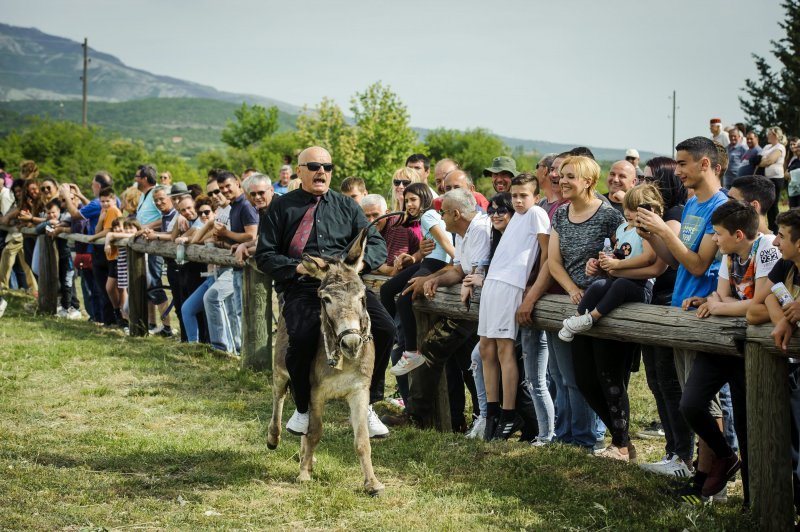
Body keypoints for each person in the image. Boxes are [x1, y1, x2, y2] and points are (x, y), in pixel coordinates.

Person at [255, 146, 395, 439]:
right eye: (315, 166)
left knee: (384, 328)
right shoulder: (281, 208)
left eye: (327, 167)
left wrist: (359, 265)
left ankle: (368, 402)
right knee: (303, 335)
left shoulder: (348, 207)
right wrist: (299, 268)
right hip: (304, 286)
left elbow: (378, 245)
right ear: (300, 170)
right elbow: (265, 255)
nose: (322, 172)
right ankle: (303, 407)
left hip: (346, 284)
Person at [636, 136, 730, 501]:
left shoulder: (721, 207)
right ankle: (702, 474)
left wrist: (662, 230)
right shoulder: (692, 203)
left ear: (706, 165)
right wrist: (654, 237)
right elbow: (676, 262)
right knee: (692, 399)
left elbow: (698, 263)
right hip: (681, 310)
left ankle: (714, 482)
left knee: (705, 401)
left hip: (703, 314)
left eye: (684, 163)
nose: (678, 170)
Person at [681, 200, 779, 504]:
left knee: (750, 425)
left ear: (738, 235)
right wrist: (716, 303)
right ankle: (725, 456)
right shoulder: (728, 254)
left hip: (753, 350)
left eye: (718, 233)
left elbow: (757, 302)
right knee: (691, 404)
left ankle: (753, 502)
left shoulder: (766, 250)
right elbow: (721, 295)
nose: (713, 239)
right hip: (724, 343)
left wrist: (720, 306)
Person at [548, 155, 628, 456]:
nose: (563, 181)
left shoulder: (608, 216)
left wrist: (604, 270)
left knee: (599, 378)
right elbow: (553, 261)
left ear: (589, 182)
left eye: (571, 176)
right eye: (562, 175)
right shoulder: (560, 214)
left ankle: (601, 440)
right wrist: (571, 289)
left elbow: (624, 255)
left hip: (602, 305)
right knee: (572, 377)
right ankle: (579, 436)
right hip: (571, 302)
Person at [475, 174, 549, 440]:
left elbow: (546, 253)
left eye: (523, 196)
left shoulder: (537, 213)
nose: (517, 200)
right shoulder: (515, 217)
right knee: (486, 347)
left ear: (535, 197)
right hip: (493, 281)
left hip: (511, 285)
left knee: (505, 348)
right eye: (514, 195)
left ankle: (508, 413)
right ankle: (492, 410)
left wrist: (533, 285)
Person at [561, 184, 663, 341]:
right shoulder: (622, 228)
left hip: (641, 286)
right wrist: (601, 261)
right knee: (598, 285)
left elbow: (648, 258)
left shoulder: (645, 230)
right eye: (626, 208)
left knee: (620, 284)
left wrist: (618, 265)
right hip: (617, 279)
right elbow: (616, 253)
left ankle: (592, 318)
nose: (628, 213)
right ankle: (576, 318)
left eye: (634, 209)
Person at [385, 183, 454, 376]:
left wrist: (458, 262)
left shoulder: (428, 215)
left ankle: (411, 351)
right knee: (387, 290)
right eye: (406, 201)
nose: (409, 204)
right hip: (428, 261)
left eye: (413, 199)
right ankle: (393, 336)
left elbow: (445, 243)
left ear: (424, 198)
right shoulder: (430, 216)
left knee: (405, 297)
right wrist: (415, 257)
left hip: (435, 263)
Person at [465, 192, 514, 439]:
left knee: (501, 354)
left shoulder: (516, 239)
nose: (495, 215)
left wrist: (481, 279)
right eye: (491, 211)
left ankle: (504, 416)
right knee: (482, 352)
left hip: (510, 303)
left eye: (501, 210)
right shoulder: (495, 238)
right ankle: (489, 415)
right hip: (491, 302)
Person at [203, 171, 258, 354]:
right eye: (221, 188)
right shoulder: (234, 206)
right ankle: (237, 350)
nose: (225, 190)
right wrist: (223, 240)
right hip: (235, 265)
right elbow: (237, 240)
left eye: (228, 186)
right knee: (235, 311)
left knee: (242, 311)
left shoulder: (245, 205)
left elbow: (251, 235)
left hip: (248, 266)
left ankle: (246, 353)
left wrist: (226, 233)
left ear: (238, 183)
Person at [87, 187, 125, 328]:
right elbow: (100, 229)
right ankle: (117, 315)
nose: (105, 204)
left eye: (107, 201)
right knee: (112, 288)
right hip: (111, 256)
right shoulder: (105, 212)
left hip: (116, 255)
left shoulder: (113, 210)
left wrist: (93, 238)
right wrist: (100, 220)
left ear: (114, 200)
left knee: (113, 288)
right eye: (102, 201)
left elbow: (107, 231)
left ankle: (120, 315)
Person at [360, 194, 419, 276]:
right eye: (367, 216)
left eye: (375, 215)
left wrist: (369, 265)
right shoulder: (363, 228)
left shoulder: (396, 225)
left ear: (387, 213)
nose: (371, 220)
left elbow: (394, 270)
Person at [760, 126, 788, 233]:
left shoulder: (780, 147)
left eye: (769, 134)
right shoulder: (767, 147)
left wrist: (765, 161)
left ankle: (776, 229)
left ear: (775, 135)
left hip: (776, 179)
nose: (767, 135)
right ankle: (771, 228)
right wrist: (764, 161)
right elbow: (761, 160)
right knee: (768, 205)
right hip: (767, 179)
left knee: (774, 204)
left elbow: (769, 161)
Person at [785, 137, 800, 209]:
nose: (792, 146)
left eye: (794, 144)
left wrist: (791, 175)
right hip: (792, 190)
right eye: (790, 145)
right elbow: (785, 173)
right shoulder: (793, 160)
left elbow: (789, 174)